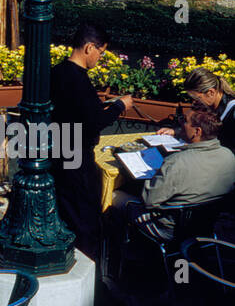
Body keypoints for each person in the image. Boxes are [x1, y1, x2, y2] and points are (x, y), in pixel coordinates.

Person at [50, 23, 133, 263]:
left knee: (66, 210)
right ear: (89, 47)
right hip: (77, 156)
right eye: (101, 52)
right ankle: (88, 269)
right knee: (86, 217)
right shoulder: (79, 80)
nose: (101, 58)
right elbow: (94, 121)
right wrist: (119, 106)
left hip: (59, 150)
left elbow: (77, 112)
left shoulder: (56, 73)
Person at [135, 108, 235, 240]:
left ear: (197, 131)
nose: (180, 123)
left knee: (117, 198)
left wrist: (152, 177)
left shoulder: (177, 162)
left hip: (171, 228)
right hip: (207, 225)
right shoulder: (229, 156)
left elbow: (149, 201)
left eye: (184, 120)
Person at [157, 67, 235, 155]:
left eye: (197, 98)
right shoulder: (210, 105)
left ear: (211, 92)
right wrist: (177, 131)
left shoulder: (232, 112)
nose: (193, 103)